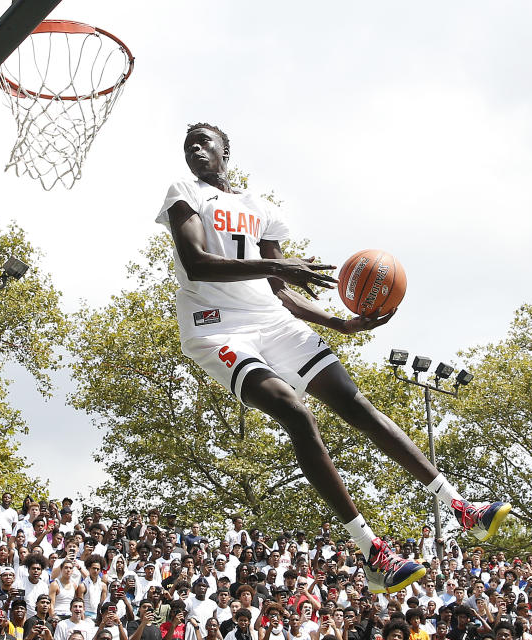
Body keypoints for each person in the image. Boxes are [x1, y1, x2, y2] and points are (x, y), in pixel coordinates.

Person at [156, 123, 511, 593]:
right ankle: (372, 551)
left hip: (272, 321)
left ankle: (461, 506)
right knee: (294, 412)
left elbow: (282, 292)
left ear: (227, 151)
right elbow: (198, 261)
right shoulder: (185, 192)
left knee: (353, 402)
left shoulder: (260, 209)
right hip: (216, 326)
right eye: (189, 145)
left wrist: (341, 324)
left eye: (205, 142)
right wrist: (278, 266)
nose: (196, 150)